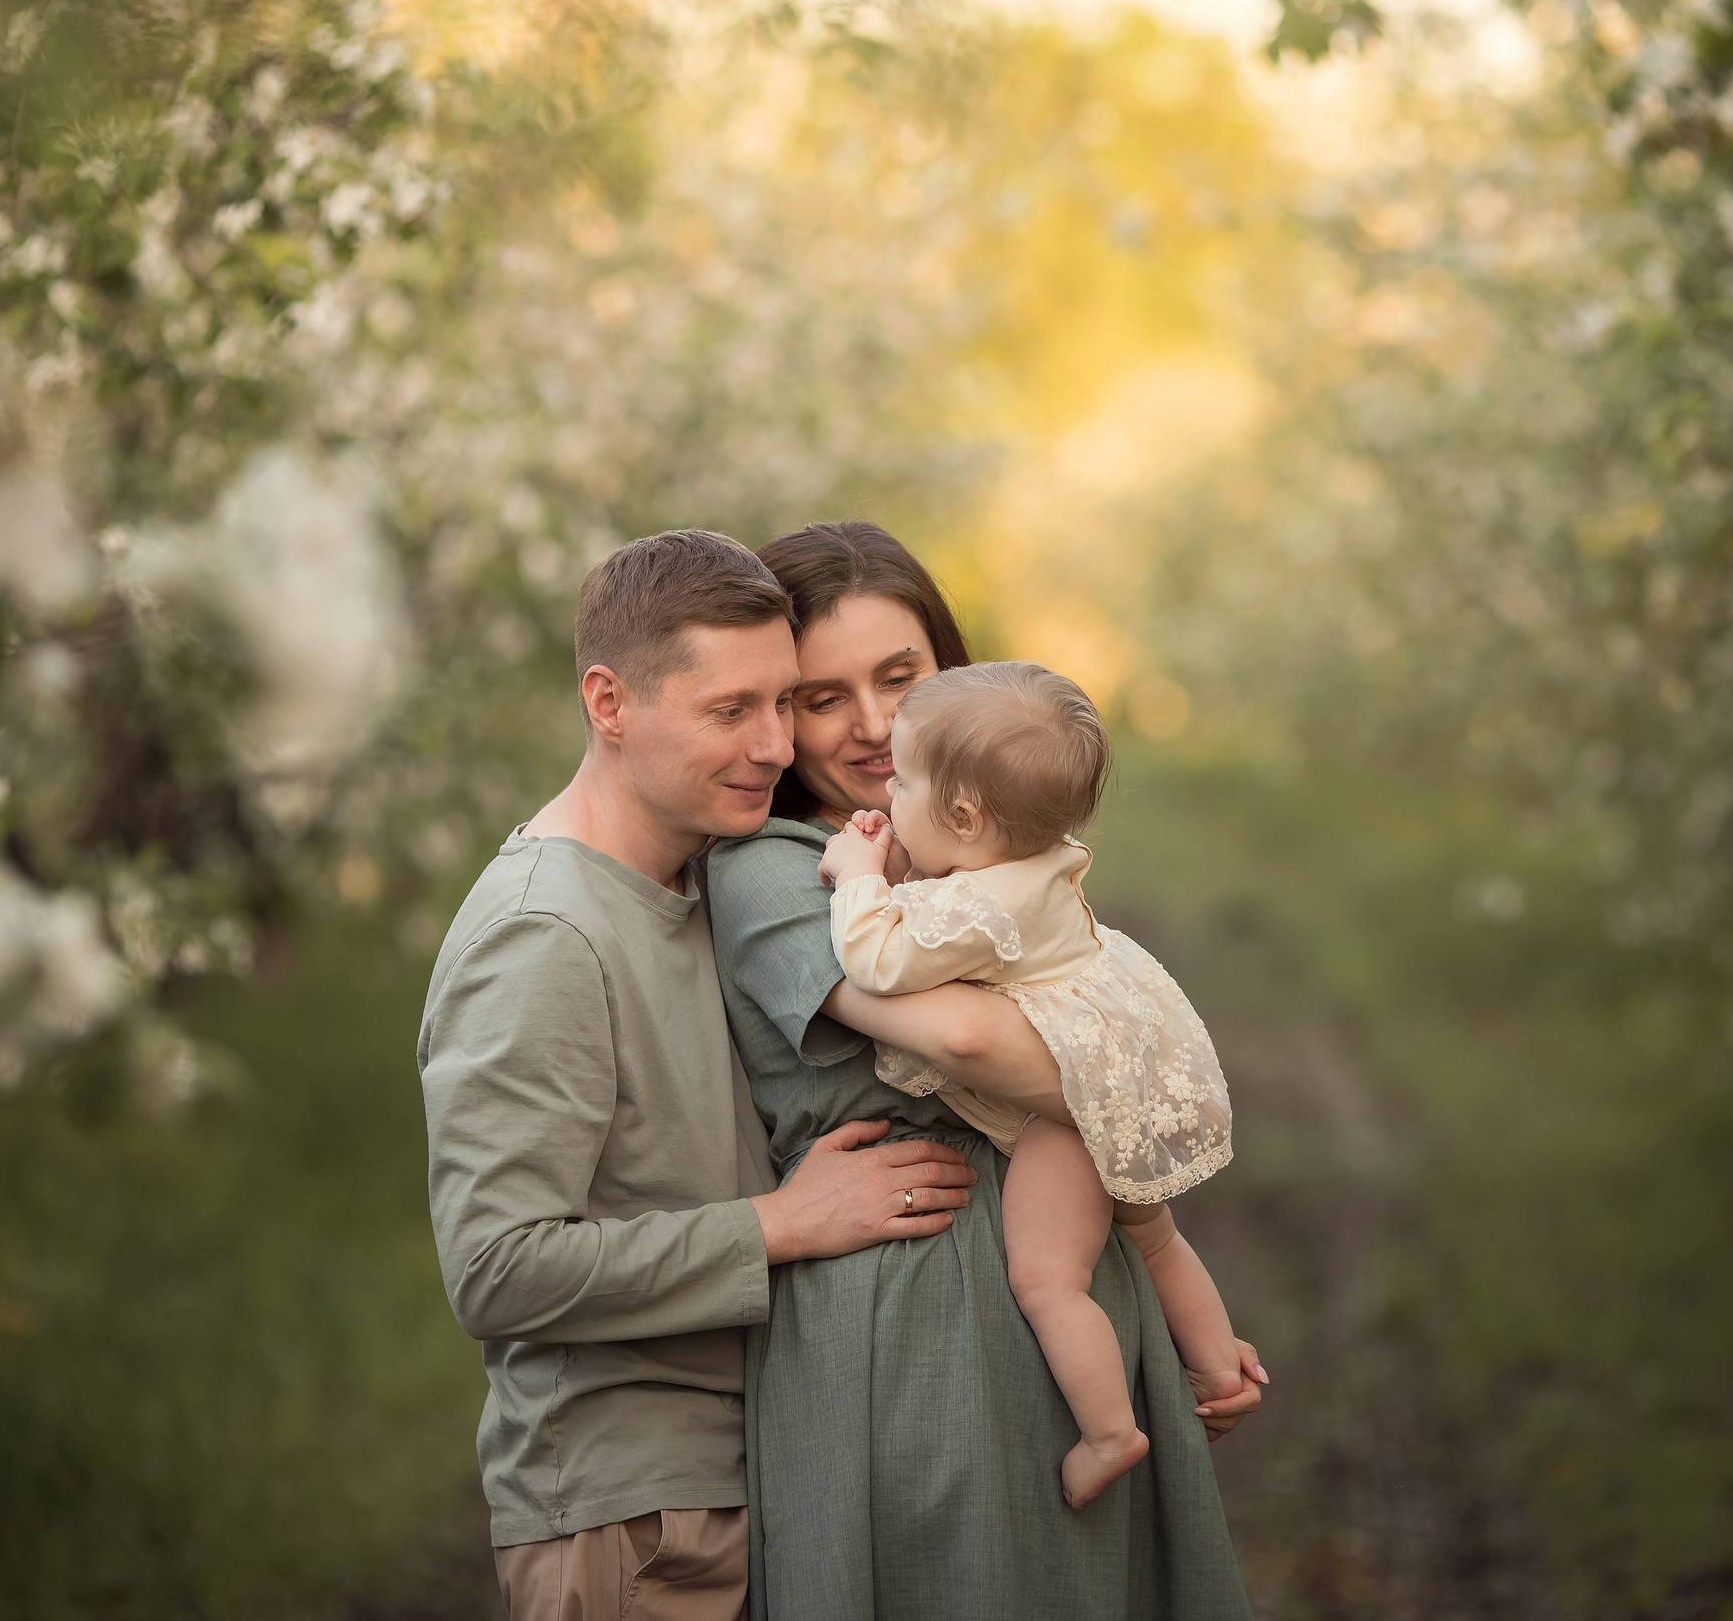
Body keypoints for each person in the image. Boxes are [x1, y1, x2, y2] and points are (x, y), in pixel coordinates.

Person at [418, 529, 983, 1621]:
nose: (774, 745)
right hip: (629, 1520)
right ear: (609, 702)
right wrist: (779, 1224)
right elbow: (496, 1268)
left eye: (784, 703)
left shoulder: (685, 883)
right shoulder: (543, 934)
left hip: (731, 1482)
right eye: (732, 712)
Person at [704, 521, 1262, 1621]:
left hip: (1065, 1285)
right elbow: (977, 1042)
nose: (871, 726)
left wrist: (1168, 1291)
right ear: (775, 708)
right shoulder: (773, 873)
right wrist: (1152, 1078)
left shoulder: (985, 855)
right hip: (910, 1312)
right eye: (822, 696)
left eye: (900, 678)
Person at [817, 660, 1242, 1511]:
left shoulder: (982, 907)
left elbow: (876, 957)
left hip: (1072, 1117)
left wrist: (858, 872)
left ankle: (1109, 1432)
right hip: (1110, 1060)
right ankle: (1223, 1366)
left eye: (903, 780)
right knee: (1153, 1239)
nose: (887, 794)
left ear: (966, 817)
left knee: (1047, 1278)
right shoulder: (1032, 861)